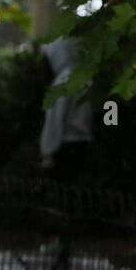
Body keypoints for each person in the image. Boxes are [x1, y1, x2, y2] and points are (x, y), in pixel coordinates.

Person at [39, 36, 93, 180]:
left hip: (66, 147)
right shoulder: (86, 78)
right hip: (84, 143)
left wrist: (48, 150)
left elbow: (55, 118)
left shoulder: (64, 81)